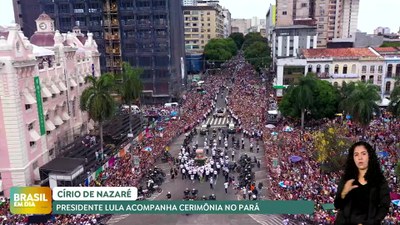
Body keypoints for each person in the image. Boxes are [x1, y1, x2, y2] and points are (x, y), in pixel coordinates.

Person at [334, 141, 390, 225]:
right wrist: (343, 193)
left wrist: (372, 222)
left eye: (363, 154)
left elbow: (384, 206)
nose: (360, 158)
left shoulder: (379, 180)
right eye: (356, 154)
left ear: (369, 156)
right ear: (352, 158)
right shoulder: (346, 179)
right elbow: (337, 205)